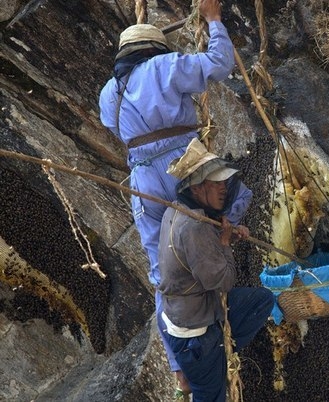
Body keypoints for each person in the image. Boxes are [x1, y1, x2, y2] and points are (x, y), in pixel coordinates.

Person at [98, 0, 249, 393]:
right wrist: (213, 21)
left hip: (143, 182)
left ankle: (178, 366)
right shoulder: (162, 68)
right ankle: (225, 242)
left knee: (161, 270)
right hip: (185, 165)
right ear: (152, 50)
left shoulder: (107, 96)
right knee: (236, 198)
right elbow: (219, 63)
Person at [158, 138, 273, 401]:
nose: (224, 188)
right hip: (194, 336)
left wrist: (227, 236)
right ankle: (212, 363)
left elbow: (196, 254)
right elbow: (222, 281)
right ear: (197, 188)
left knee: (261, 301)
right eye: (216, 183)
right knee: (211, 397)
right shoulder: (194, 226)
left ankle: (218, 357)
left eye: (224, 182)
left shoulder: (179, 211)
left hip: (184, 313)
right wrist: (224, 244)